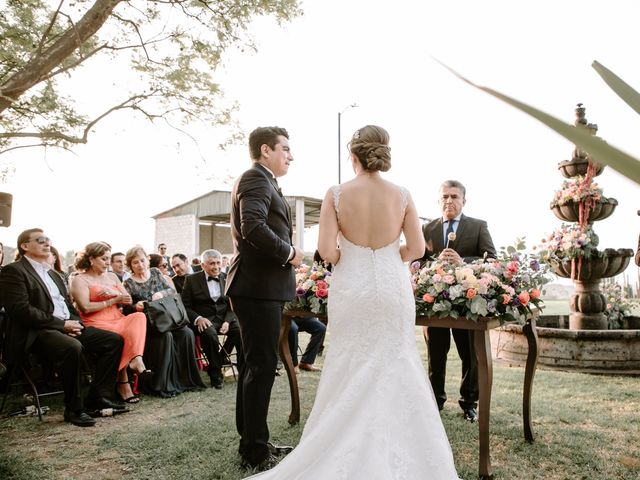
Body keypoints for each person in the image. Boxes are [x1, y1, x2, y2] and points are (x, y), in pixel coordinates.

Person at [247, 125, 460, 478]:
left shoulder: (336, 195)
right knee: (398, 361)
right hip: (392, 288)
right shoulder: (403, 194)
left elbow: (328, 251)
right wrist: (392, 254)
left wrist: (356, 254)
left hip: (353, 289)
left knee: (350, 361)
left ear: (354, 156)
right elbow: (419, 250)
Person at [226, 126, 304, 471]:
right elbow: (253, 227)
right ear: (264, 150)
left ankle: (253, 441)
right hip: (256, 288)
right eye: (284, 148)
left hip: (260, 288)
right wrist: (289, 252)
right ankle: (255, 450)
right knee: (260, 367)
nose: (290, 155)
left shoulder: (266, 181)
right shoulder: (254, 179)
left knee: (254, 367)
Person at [0, 229, 124, 427]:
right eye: (40, 240)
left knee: (113, 341)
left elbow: (67, 306)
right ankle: (74, 409)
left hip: (66, 326)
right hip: (36, 332)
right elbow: (20, 310)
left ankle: (97, 398)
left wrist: (77, 324)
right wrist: (61, 325)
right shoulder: (13, 271)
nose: (47, 243)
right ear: (24, 246)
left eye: (48, 240)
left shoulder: (53, 274)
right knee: (71, 347)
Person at [420, 179, 496, 422]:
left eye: (454, 196)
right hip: (435, 304)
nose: (449, 201)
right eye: (445, 197)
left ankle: (469, 403)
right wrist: (434, 263)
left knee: (470, 356)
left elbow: (492, 260)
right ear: (439, 200)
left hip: (467, 304)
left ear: (464, 200)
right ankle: (435, 401)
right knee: (436, 354)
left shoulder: (478, 226)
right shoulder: (427, 229)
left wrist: (463, 261)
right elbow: (417, 262)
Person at [69, 242, 149, 404]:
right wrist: (112, 300)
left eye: (108, 259)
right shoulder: (80, 279)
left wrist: (112, 294)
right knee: (119, 338)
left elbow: (127, 299)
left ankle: (136, 359)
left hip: (117, 318)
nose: (107, 262)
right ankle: (124, 383)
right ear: (91, 259)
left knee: (139, 317)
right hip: (96, 322)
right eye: (104, 259)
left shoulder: (112, 277)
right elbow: (85, 308)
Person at [123, 245, 205, 397]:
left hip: (168, 318)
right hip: (150, 325)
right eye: (135, 262)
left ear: (147, 260)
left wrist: (161, 293)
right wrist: (136, 306)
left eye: (142, 260)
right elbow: (126, 310)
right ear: (130, 265)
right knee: (165, 336)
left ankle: (187, 381)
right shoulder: (127, 284)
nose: (140, 265)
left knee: (186, 333)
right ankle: (164, 384)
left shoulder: (155, 272)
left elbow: (171, 290)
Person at [181, 249, 243, 389]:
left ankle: (230, 364)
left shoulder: (228, 277)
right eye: (211, 264)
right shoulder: (191, 280)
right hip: (204, 319)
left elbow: (233, 305)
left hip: (225, 318)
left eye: (218, 263)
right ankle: (215, 374)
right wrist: (198, 318)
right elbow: (185, 306)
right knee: (209, 335)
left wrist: (227, 321)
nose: (216, 267)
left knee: (239, 330)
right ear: (202, 265)